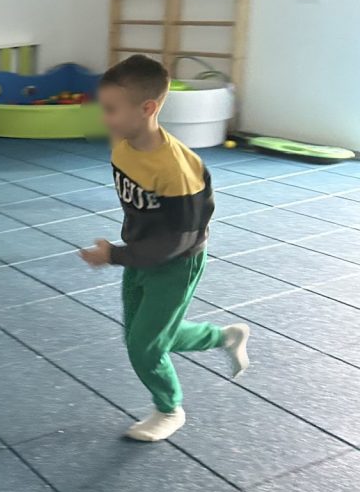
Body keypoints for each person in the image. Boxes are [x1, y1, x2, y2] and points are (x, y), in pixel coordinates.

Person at [79, 55, 250, 442]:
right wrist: (127, 252)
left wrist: (114, 255)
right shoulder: (124, 147)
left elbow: (179, 240)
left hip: (176, 264)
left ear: (147, 109)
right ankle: (224, 337)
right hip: (141, 254)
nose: (104, 118)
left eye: (111, 109)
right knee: (146, 336)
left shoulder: (176, 169)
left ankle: (169, 409)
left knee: (144, 346)